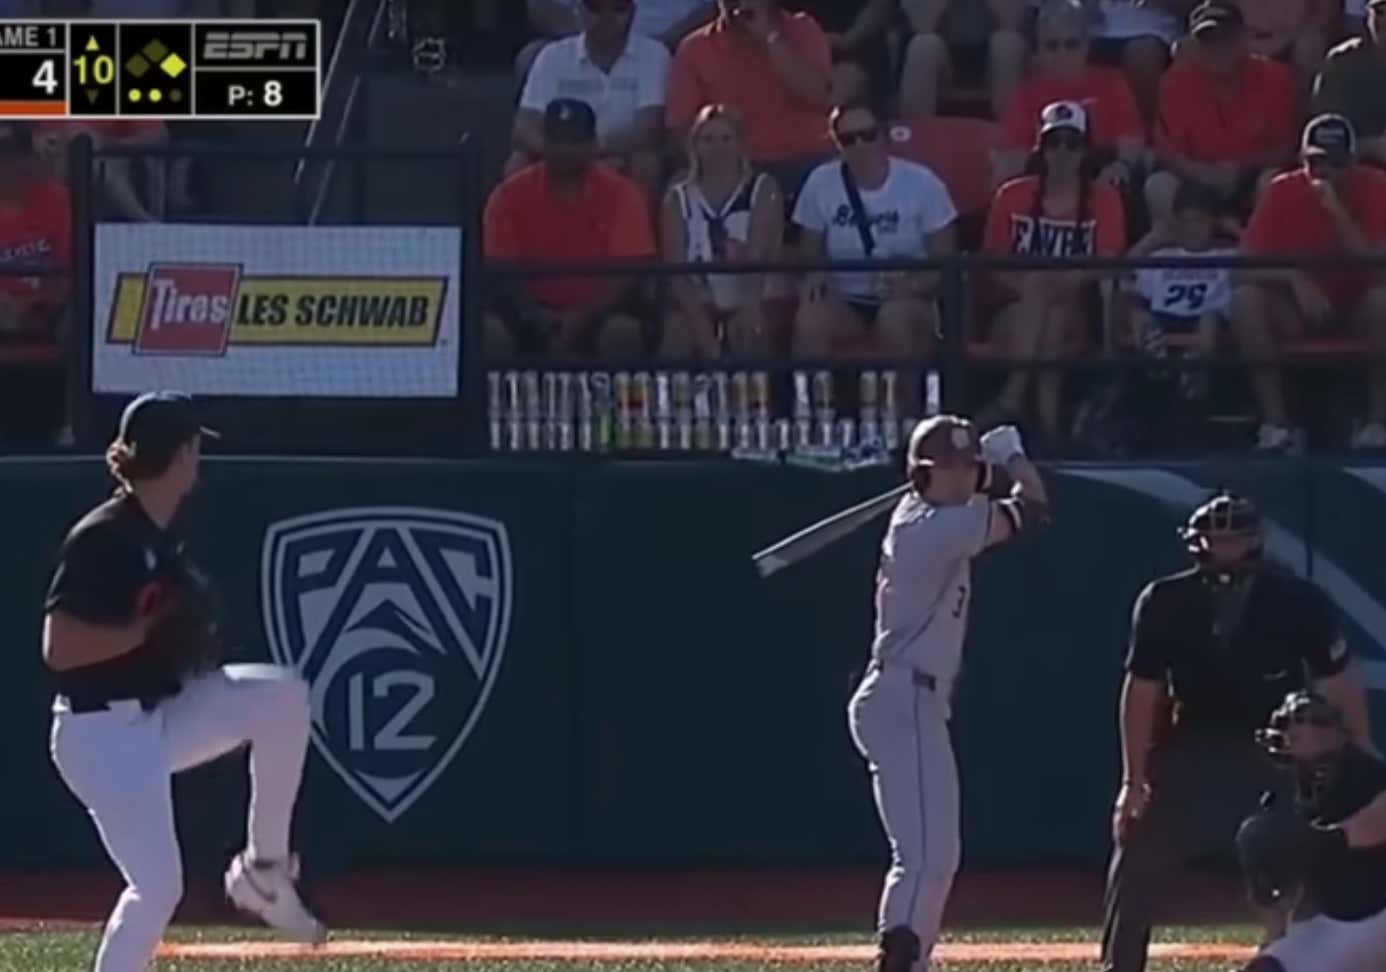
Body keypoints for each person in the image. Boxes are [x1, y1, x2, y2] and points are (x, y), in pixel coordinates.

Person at [44, 392, 325, 972]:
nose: (199, 459)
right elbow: (60, 648)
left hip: (151, 717)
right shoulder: (104, 537)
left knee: (281, 699)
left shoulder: (153, 532)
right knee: (156, 887)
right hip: (101, 738)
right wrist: (142, 633)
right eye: (195, 447)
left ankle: (265, 874)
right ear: (180, 455)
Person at [1099, 490, 1375, 972]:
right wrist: (1133, 779)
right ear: (1196, 542)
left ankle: (1297, 956)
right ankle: (1120, 965)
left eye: (1234, 537)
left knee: (1300, 848)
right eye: (1215, 537)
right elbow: (1141, 690)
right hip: (1192, 739)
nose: (1224, 548)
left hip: (1279, 747)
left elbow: (1338, 679)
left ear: (1254, 542)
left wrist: (1362, 750)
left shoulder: (1297, 599)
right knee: (1138, 845)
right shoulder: (1165, 599)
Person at [849, 416, 1049, 972]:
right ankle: (903, 958)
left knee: (929, 858)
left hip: (909, 697)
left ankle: (909, 954)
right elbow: (1033, 509)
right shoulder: (934, 529)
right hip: (903, 696)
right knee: (928, 859)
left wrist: (982, 469)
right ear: (921, 475)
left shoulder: (929, 517)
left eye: (968, 468)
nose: (962, 480)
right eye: (948, 470)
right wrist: (1012, 458)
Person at [1230, 113, 1386, 453]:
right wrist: (1292, 277)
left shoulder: (1377, 186)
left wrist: (1337, 214)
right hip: (1298, 312)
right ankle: (1276, 425)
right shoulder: (1283, 189)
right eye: (1317, 162)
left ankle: (1378, 422)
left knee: (1382, 301)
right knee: (1245, 300)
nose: (1326, 172)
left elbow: (1379, 270)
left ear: (1354, 160)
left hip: (1356, 308)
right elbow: (1240, 269)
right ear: (1302, 161)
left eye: (1337, 162)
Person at [978, 100, 1127, 448]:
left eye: (1071, 143)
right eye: (1053, 143)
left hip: (1076, 312)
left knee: (1053, 309)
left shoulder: (1104, 199)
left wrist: (1051, 286)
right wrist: (1035, 290)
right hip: (1012, 312)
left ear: (1085, 150)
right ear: (1040, 149)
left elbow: (1105, 264)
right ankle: (1050, 427)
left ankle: (1013, 398)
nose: (1062, 152)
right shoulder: (1012, 195)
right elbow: (989, 265)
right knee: (1045, 306)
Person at [792, 101, 957, 392]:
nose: (860, 145)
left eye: (867, 135)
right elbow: (810, 253)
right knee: (811, 317)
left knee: (894, 318)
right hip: (845, 300)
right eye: (848, 139)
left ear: (883, 136)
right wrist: (816, 278)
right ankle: (812, 416)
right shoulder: (820, 183)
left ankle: (903, 419)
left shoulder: (923, 183)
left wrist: (912, 286)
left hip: (908, 299)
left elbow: (946, 264)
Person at [484, 98, 655, 359]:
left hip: (600, 314)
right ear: (543, 142)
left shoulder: (623, 194)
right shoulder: (508, 194)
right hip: (525, 314)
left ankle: (615, 402)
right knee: (489, 332)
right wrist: (534, 316)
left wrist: (583, 316)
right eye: (557, 140)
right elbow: (501, 269)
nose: (565, 150)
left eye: (575, 141)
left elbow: (628, 272)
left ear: (594, 145)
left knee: (622, 333)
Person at [1233, 691, 1386, 972]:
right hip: (1342, 923)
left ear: (1338, 733)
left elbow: (1378, 821)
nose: (1292, 730)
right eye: (1287, 723)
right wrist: (1278, 933)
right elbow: (1281, 898)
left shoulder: (1366, 773)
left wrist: (1328, 841)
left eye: (1304, 721)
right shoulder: (1280, 793)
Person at [1146, 1, 1298, 223]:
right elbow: (1167, 152)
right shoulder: (1174, 82)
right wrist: (1203, 174)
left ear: (1244, 39)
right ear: (1194, 46)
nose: (1218, 49)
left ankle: (1268, 253)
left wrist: (1242, 169)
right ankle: (1172, 254)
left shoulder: (1276, 78)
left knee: (1272, 181)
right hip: (1196, 179)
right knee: (1158, 186)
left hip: (1251, 176)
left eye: (1226, 38)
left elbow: (1285, 148)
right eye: (1208, 41)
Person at [511, 0, 672, 202]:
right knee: (517, 163)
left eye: (618, 8)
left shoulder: (654, 54)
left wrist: (585, 153)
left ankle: (638, 233)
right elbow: (524, 128)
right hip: (558, 156)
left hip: (623, 156)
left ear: (633, 12)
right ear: (578, 11)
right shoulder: (552, 56)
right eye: (595, 8)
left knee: (646, 164)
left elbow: (649, 130)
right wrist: (561, 155)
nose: (607, 17)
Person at [666, 0, 834, 194]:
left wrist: (771, 39)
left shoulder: (803, 29)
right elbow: (680, 129)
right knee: (679, 186)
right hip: (735, 169)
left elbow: (820, 95)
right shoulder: (695, 48)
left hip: (808, 160)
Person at [660, 103, 784, 358]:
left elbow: (759, 256)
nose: (718, 148)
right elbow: (676, 269)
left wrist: (749, 306)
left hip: (752, 291)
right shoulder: (677, 197)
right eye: (708, 140)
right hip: (696, 295)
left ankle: (755, 395)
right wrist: (701, 326)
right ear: (694, 146)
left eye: (727, 139)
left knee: (749, 330)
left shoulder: (763, 187)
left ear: (741, 144)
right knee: (678, 332)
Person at [994, 0, 1146, 189]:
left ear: (1087, 45)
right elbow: (1013, 159)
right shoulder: (1026, 96)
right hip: (1046, 183)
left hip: (1103, 178)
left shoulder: (1112, 82)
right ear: (1039, 51)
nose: (1062, 53)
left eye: (1071, 44)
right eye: (1052, 46)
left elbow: (1131, 139)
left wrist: (1122, 166)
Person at [1124, 179, 1236, 402]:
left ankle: (1196, 367)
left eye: (1199, 221)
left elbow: (1257, 251)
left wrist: (1236, 231)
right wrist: (1151, 240)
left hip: (1207, 319)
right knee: (1135, 309)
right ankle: (1155, 359)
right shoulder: (1161, 257)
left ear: (1213, 222)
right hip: (1164, 316)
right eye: (1185, 222)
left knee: (1210, 319)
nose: (1193, 229)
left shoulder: (1231, 256)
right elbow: (1123, 275)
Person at [898, 0, 1029, 120]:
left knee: (1007, 44)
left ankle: (1013, 135)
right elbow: (922, 26)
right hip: (943, 57)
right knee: (923, 46)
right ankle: (915, 135)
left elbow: (1012, 24)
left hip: (994, 56)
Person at [1311, 0, 1386, 169]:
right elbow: (1320, 141)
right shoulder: (1342, 62)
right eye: (1379, 13)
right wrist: (1372, 147)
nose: (1383, 22)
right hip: (1353, 172)